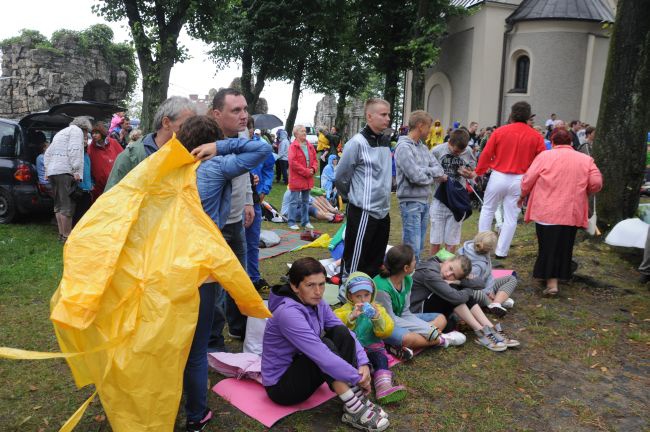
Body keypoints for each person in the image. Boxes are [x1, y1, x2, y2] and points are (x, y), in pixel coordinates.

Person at [176, 115, 272, 432]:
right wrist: (220, 146)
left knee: (174, 340)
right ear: (207, 142)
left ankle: (167, 399)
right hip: (200, 268)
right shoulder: (213, 166)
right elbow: (260, 149)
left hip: (167, 267)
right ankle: (196, 415)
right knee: (197, 348)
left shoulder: (166, 168)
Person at [262, 257, 390, 432]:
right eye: (310, 285)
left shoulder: (316, 301)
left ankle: (355, 399)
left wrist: (363, 363)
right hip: (282, 387)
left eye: (322, 284)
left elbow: (345, 333)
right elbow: (320, 355)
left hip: (302, 367)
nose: (318, 291)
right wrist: (356, 376)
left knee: (340, 332)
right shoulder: (288, 313)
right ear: (294, 286)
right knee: (324, 346)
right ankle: (355, 407)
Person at [519, 129, 603, 295]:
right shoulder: (586, 159)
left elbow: (528, 179)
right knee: (563, 246)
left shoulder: (544, 156)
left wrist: (522, 195)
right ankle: (557, 276)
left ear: (553, 142)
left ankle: (552, 284)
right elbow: (596, 182)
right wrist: (585, 191)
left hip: (546, 210)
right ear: (571, 142)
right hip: (571, 211)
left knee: (547, 246)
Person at [208, 88, 256, 343]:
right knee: (214, 289)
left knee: (241, 279)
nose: (243, 115)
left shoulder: (242, 135)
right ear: (217, 114)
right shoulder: (206, 139)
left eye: (245, 109)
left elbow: (246, 169)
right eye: (236, 110)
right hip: (213, 227)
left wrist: (248, 200)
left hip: (237, 219)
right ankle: (213, 342)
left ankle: (239, 327)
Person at [476, 101, 546, 259]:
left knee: (488, 209)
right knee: (511, 216)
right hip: (520, 179)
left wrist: (479, 171)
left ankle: (482, 245)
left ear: (512, 114)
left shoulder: (500, 131)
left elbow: (486, 154)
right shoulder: (536, 136)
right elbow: (541, 160)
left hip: (499, 175)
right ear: (528, 116)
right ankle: (501, 251)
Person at [410, 253, 519, 352]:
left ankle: (490, 328)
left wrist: (459, 281)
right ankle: (481, 331)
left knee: (455, 288)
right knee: (455, 292)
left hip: (432, 308)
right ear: (447, 261)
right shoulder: (429, 273)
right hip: (418, 312)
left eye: (454, 274)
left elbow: (480, 283)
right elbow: (456, 297)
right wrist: (464, 287)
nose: (448, 274)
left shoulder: (446, 270)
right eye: (450, 268)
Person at [373, 245, 466, 357]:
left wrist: (426, 329)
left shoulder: (407, 279)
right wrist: (426, 330)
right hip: (383, 324)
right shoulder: (382, 287)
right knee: (409, 338)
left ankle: (398, 345)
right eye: (414, 260)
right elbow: (390, 319)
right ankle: (442, 340)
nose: (416, 262)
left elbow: (405, 312)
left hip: (399, 319)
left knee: (441, 319)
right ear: (406, 268)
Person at [335, 98, 393, 279]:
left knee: (375, 261)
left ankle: (368, 298)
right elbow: (341, 176)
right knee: (355, 261)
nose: (388, 118)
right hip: (363, 212)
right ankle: (347, 295)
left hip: (383, 212)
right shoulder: (357, 143)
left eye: (388, 114)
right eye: (383, 114)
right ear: (369, 116)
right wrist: (351, 198)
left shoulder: (385, 141)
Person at [335, 272, 407, 404]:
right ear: (350, 296)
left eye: (366, 295)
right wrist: (351, 317)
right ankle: (358, 385)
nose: (363, 300)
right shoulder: (344, 310)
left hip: (373, 349)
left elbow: (386, 331)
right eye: (358, 296)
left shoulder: (378, 309)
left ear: (372, 294)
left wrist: (377, 318)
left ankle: (384, 387)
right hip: (354, 352)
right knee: (349, 366)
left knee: (381, 359)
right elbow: (335, 326)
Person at [106, 96, 202, 190]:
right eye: (186, 126)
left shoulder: (193, 157)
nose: (192, 131)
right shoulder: (131, 157)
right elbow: (109, 201)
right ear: (166, 123)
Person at [394, 110, 445, 261]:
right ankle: (409, 279)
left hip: (424, 201)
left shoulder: (422, 147)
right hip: (410, 202)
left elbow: (439, 169)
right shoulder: (403, 147)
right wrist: (432, 176)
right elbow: (415, 176)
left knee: (420, 246)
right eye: (428, 126)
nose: (430, 130)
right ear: (420, 126)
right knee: (412, 248)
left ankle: (414, 278)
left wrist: (424, 171)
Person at [44, 116, 92, 242]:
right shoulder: (77, 132)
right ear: (84, 128)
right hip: (65, 172)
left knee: (58, 205)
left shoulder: (61, 132)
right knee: (67, 206)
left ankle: (61, 235)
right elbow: (74, 150)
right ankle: (67, 236)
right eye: (87, 132)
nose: (86, 134)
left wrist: (47, 169)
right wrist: (76, 170)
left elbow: (48, 152)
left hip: (53, 172)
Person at [430, 128, 476, 255]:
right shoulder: (437, 151)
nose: (458, 154)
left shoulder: (468, 151)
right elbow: (426, 171)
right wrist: (437, 177)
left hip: (457, 199)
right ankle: (433, 268)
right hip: (439, 199)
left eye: (461, 152)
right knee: (436, 238)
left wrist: (469, 174)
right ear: (449, 142)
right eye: (455, 151)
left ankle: (447, 267)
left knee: (452, 239)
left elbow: (473, 170)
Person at [458, 231, 518, 317]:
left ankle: (496, 303)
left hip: (485, 286)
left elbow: (489, 273)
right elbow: (469, 285)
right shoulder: (477, 265)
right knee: (478, 294)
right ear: (491, 249)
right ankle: (495, 303)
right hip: (475, 291)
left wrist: (489, 289)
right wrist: (487, 292)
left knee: (511, 278)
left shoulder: (476, 248)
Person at [247, 119, 276, 291]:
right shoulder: (230, 145)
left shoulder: (261, 146)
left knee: (252, 240)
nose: (248, 131)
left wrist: (265, 189)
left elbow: (268, 167)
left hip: (255, 198)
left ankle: (254, 277)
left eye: (250, 127)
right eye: (245, 128)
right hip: (236, 200)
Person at [287, 124, 318, 230]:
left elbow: (315, 159)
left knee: (306, 201)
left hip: (308, 178)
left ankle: (305, 221)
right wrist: (306, 171)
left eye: (305, 131)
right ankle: (291, 222)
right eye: (302, 131)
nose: (305, 133)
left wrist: (313, 169)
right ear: (296, 134)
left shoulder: (309, 145)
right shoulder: (293, 146)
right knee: (294, 201)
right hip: (297, 178)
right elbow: (293, 162)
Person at [87, 123, 123, 200]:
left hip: (116, 184)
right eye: (92, 133)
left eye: (96, 133)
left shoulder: (113, 143)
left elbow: (123, 158)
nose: (94, 135)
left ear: (102, 133)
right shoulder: (90, 148)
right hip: (99, 189)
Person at [72, 136, 93, 227]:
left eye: (86, 139)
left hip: (87, 188)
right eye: (83, 139)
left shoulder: (86, 155)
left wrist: (91, 183)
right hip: (79, 188)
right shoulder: (76, 155)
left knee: (85, 211)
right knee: (78, 211)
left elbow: (88, 171)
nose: (85, 141)